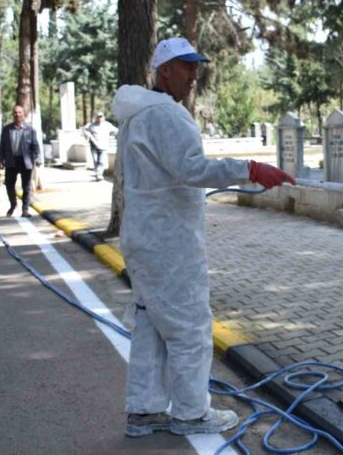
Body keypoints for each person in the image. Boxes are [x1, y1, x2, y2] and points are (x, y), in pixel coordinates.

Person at [111, 37, 295, 438]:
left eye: (196, 65)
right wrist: (248, 168)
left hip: (145, 236)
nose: (195, 74)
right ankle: (192, 414)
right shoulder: (164, 115)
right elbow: (191, 168)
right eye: (187, 66)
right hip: (168, 243)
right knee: (190, 325)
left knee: (152, 325)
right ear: (165, 72)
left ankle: (144, 410)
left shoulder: (138, 115)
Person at [0, 105, 40, 217]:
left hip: (26, 161)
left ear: (23, 114)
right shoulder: (7, 129)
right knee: (9, 185)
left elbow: (35, 145)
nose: (17, 114)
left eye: (19, 112)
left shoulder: (30, 130)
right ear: (13, 114)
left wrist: (38, 157)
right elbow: (2, 146)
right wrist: (0, 159)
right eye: (15, 112)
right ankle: (13, 204)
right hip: (11, 161)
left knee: (26, 186)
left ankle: (25, 210)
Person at [82, 111, 118, 181]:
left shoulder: (108, 125)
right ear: (96, 118)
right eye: (98, 117)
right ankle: (98, 174)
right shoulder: (92, 125)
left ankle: (99, 175)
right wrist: (89, 136)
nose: (100, 118)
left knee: (101, 161)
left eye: (101, 117)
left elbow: (116, 131)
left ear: (104, 117)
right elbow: (84, 129)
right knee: (95, 161)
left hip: (103, 146)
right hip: (94, 146)